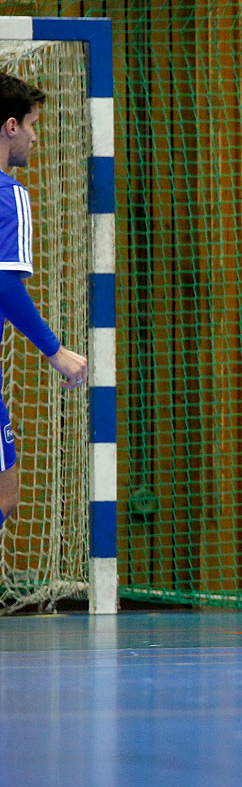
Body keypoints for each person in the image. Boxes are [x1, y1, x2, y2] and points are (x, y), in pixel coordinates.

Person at [0, 74, 89, 531]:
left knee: (7, 493)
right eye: (33, 124)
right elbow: (5, 285)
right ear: (10, 126)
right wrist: (56, 351)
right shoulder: (8, 195)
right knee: (6, 494)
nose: (35, 136)